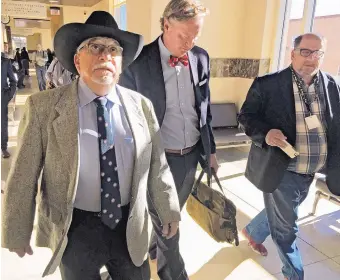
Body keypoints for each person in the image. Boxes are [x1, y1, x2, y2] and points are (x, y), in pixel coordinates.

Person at [1, 11, 181, 280]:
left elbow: (157, 164)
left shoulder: (141, 107)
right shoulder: (44, 108)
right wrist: (16, 229)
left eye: (112, 50)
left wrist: (169, 209)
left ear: (120, 64)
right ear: (77, 59)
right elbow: (24, 173)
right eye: (94, 47)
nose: (104, 56)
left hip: (129, 223)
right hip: (75, 227)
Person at [119, 1, 218, 279]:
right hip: (156, 160)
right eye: (183, 36)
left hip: (189, 157)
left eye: (195, 36)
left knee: (171, 217)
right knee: (169, 224)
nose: (189, 43)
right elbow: (126, 119)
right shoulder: (138, 62)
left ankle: (155, 248)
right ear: (165, 25)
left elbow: (205, 109)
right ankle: (174, 274)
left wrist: (210, 152)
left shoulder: (200, 57)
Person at [238, 33, 340, 280]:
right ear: (292, 54)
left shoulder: (331, 84)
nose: (311, 58)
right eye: (306, 52)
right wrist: (266, 133)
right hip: (282, 168)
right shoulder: (268, 84)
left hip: (312, 169)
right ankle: (293, 274)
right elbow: (246, 117)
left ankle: (253, 231)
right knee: (286, 229)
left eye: (318, 53)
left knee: (287, 208)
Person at [1, 42, 17, 158]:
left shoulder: (5, 62)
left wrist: (8, 95)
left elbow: (13, 80)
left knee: (3, 123)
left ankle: (4, 147)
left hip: (2, 96)